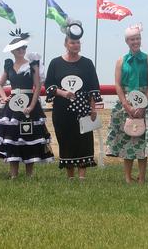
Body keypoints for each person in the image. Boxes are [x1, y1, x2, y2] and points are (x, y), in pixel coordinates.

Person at [105, 24, 148, 184]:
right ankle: (127, 177)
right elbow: (118, 85)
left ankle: (142, 177)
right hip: (126, 103)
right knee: (127, 139)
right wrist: (126, 105)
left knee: (142, 140)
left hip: (145, 103)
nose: (136, 42)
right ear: (127, 41)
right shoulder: (121, 61)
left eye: (138, 38)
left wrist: (143, 105)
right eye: (132, 39)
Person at [0, 30, 54, 178]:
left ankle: (29, 174)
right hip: (12, 105)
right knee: (13, 137)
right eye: (19, 48)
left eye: (24, 48)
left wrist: (31, 106)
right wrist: (4, 97)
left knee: (29, 136)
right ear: (12, 50)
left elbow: (37, 86)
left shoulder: (33, 65)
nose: (22, 51)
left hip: (29, 104)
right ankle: (13, 174)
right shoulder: (8, 66)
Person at [44, 20, 101, 179]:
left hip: (83, 109)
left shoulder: (87, 63)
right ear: (66, 43)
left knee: (83, 140)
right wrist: (62, 93)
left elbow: (93, 87)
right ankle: (70, 176)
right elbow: (48, 85)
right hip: (62, 110)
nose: (76, 45)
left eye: (78, 42)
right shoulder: (55, 63)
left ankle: (82, 176)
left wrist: (93, 108)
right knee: (66, 140)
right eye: (72, 42)